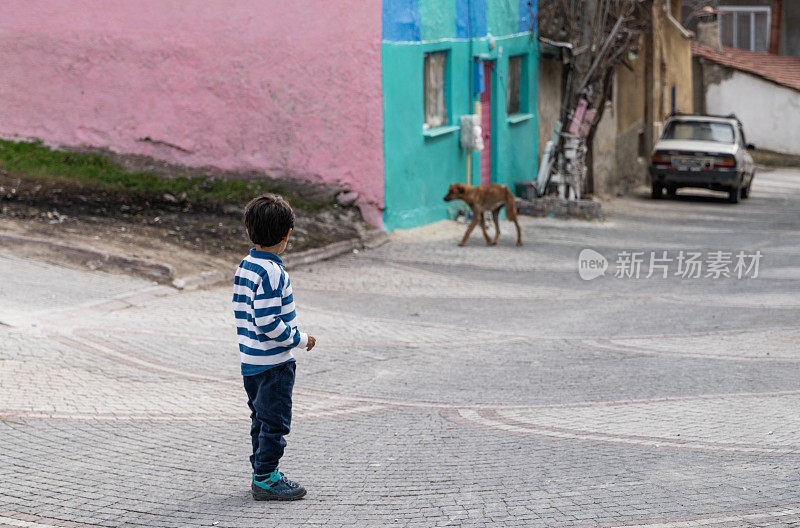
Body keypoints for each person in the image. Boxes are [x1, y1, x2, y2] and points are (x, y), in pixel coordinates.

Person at [233, 194, 316, 501]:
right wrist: (300, 338)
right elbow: (268, 321)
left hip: (251, 362)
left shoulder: (247, 265)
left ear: (248, 231)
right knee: (275, 422)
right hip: (274, 364)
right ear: (287, 235)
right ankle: (267, 478)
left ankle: (261, 469)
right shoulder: (272, 272)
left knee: (261, 418)